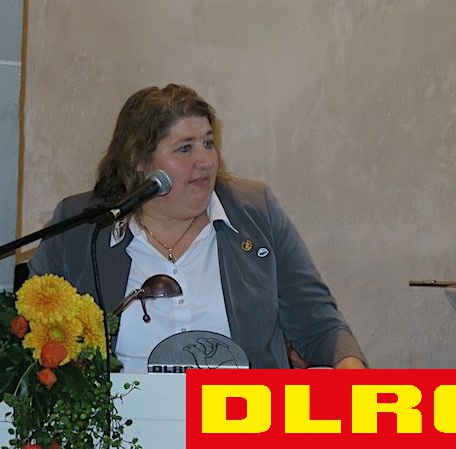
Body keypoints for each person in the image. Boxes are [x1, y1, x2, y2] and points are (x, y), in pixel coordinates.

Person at [29, 84, 368, 370]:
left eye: (208, 143)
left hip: (243, 418)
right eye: (184, 148)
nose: (204, 161)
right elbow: (31, 338)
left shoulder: (254, 212)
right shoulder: (82, 228)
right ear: (140, 161)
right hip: (123, 422)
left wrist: (351, 371)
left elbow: (315, 319)